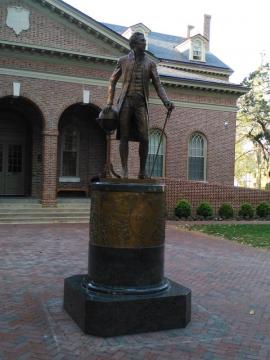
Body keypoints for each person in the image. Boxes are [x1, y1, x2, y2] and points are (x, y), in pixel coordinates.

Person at [104, 32, 174, 179]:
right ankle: (124, 171)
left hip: (141, 103)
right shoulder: (123, 60)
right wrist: (110, 102)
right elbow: (112, 80)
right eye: (142, 41)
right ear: (135, 43)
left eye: (145, 41)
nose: (145, 43)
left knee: (145, 137)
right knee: (124, 136)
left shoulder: (150, 64)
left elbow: (158, 85)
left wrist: (166, 101)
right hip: (126, 102)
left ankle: (142, 171)